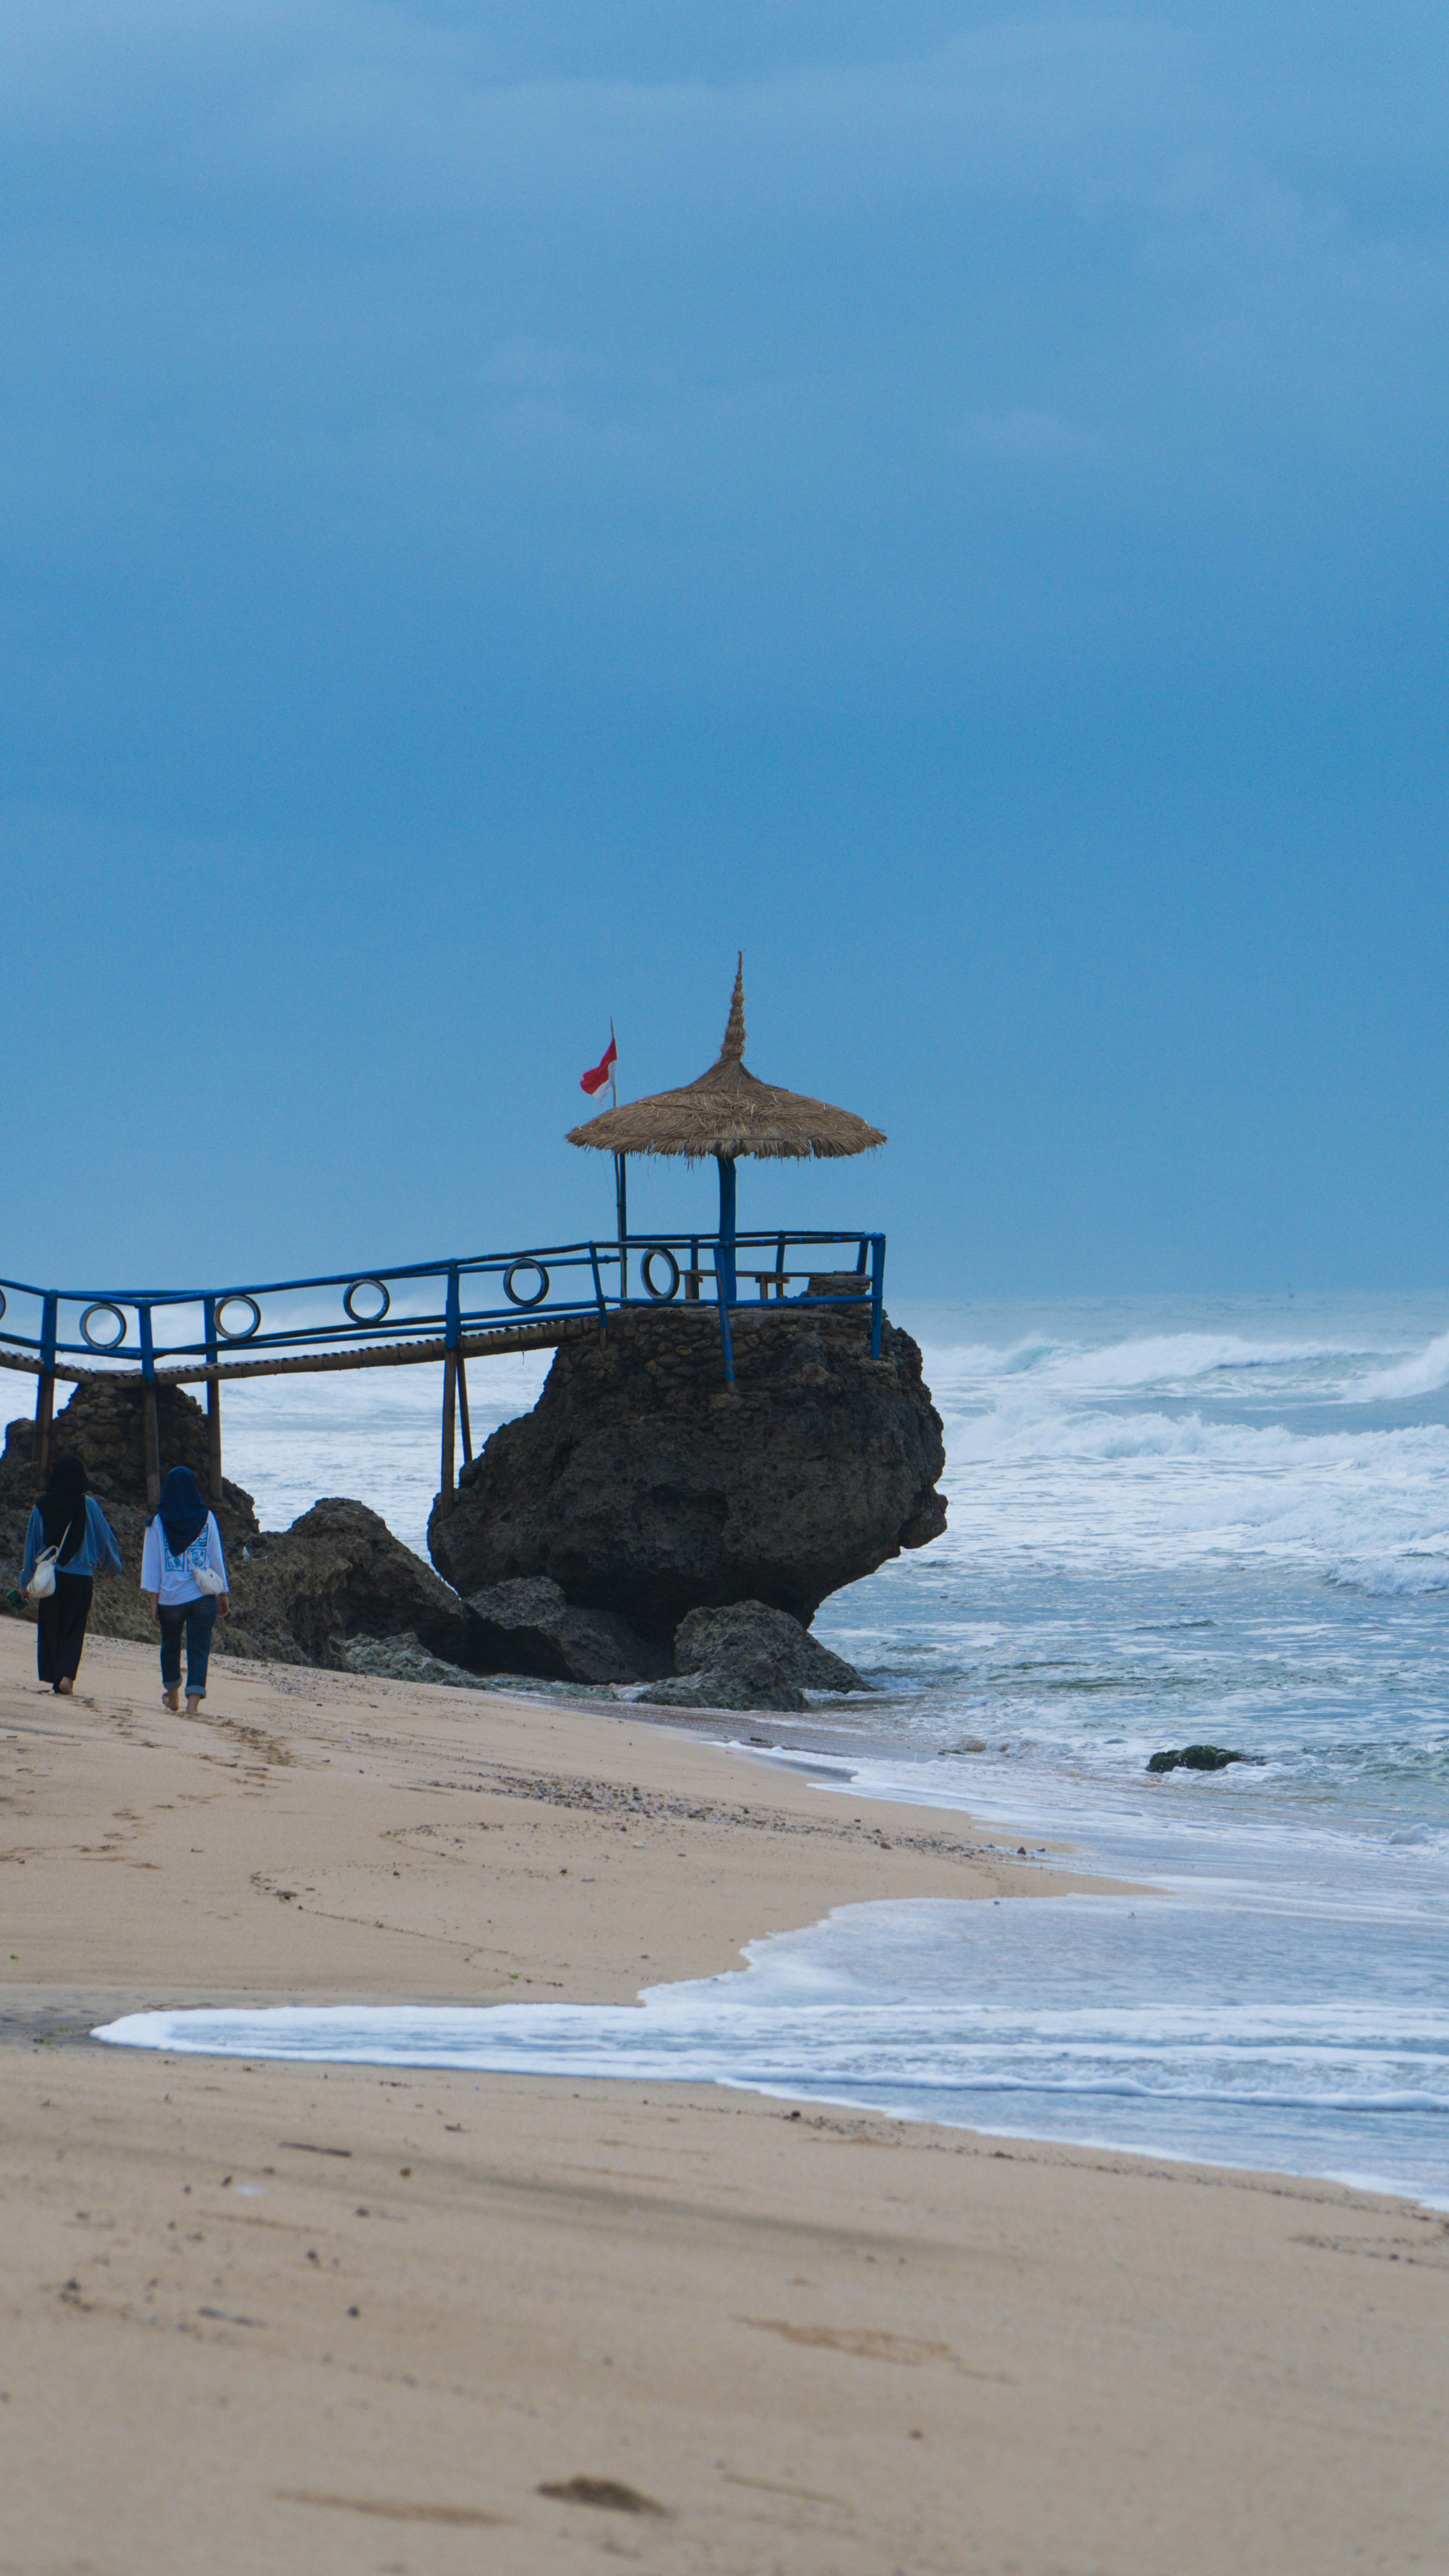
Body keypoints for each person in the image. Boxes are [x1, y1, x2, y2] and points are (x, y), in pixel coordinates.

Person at [20, 1451, 122, 1695]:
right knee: (75, 1627)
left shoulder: (42, 1507)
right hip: (81, 1578)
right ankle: (67, 1677)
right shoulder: (88, 1506)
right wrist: (113, 1567)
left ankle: (55, 1675)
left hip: (50, 1578)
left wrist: (26, 1582)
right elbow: (105, 1540)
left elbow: (32, 1546)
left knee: (51, 1626)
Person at [140, 1464, 230, 1716]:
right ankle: (193, 1703)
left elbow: (152, 1565)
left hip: (170, 1598)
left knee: (170, 1646)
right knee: (199, 1649)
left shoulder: (157, 1523)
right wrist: (223, 1593)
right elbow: (216, 1558)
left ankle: (173, 1697)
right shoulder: (207, 1517)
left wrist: (153, 1601)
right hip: (203, 1597)